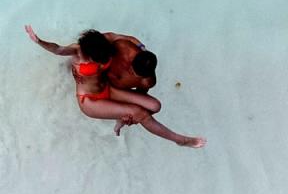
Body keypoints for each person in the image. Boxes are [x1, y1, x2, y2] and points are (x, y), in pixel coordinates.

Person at [26, 25, 205, 148]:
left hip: (108, 90)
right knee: (140, 113)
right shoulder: (78, 51)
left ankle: (122, 119)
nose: (103, 60)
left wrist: (141, 47)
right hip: (90, 101)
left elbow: (119, 38)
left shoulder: (107, 46)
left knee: (155, 106)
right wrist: (38, 40)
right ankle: (180, 140)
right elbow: (57, 49)